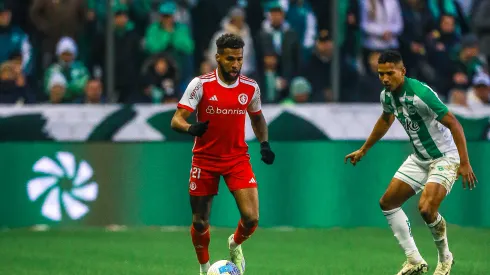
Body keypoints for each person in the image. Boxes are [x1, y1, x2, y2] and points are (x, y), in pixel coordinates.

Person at [344, 50, 477, 275]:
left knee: (426, 209)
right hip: (419, 158)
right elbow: (386, 120)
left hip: (444, 156)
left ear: (402, 71)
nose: (385, 79)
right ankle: (414, 259)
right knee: (387, 203)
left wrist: (464, 162)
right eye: (380, 74)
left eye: (390, 73)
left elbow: (454, 123)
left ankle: (445, 258)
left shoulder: (420, 93)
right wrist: (364, 149)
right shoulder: (386, 96)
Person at [170, 33, 275, 275]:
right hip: (205, 160)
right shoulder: (201, 84)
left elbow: (257, 119)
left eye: (239, 59)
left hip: (237, 159)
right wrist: (190, 128)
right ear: (218, 57)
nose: (236, 64)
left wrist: (264, 144)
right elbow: (176, 120)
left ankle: (235, 244)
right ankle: (204, 268)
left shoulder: (250, 88)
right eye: (230, 59)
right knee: (200, 221)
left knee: (251, 219)